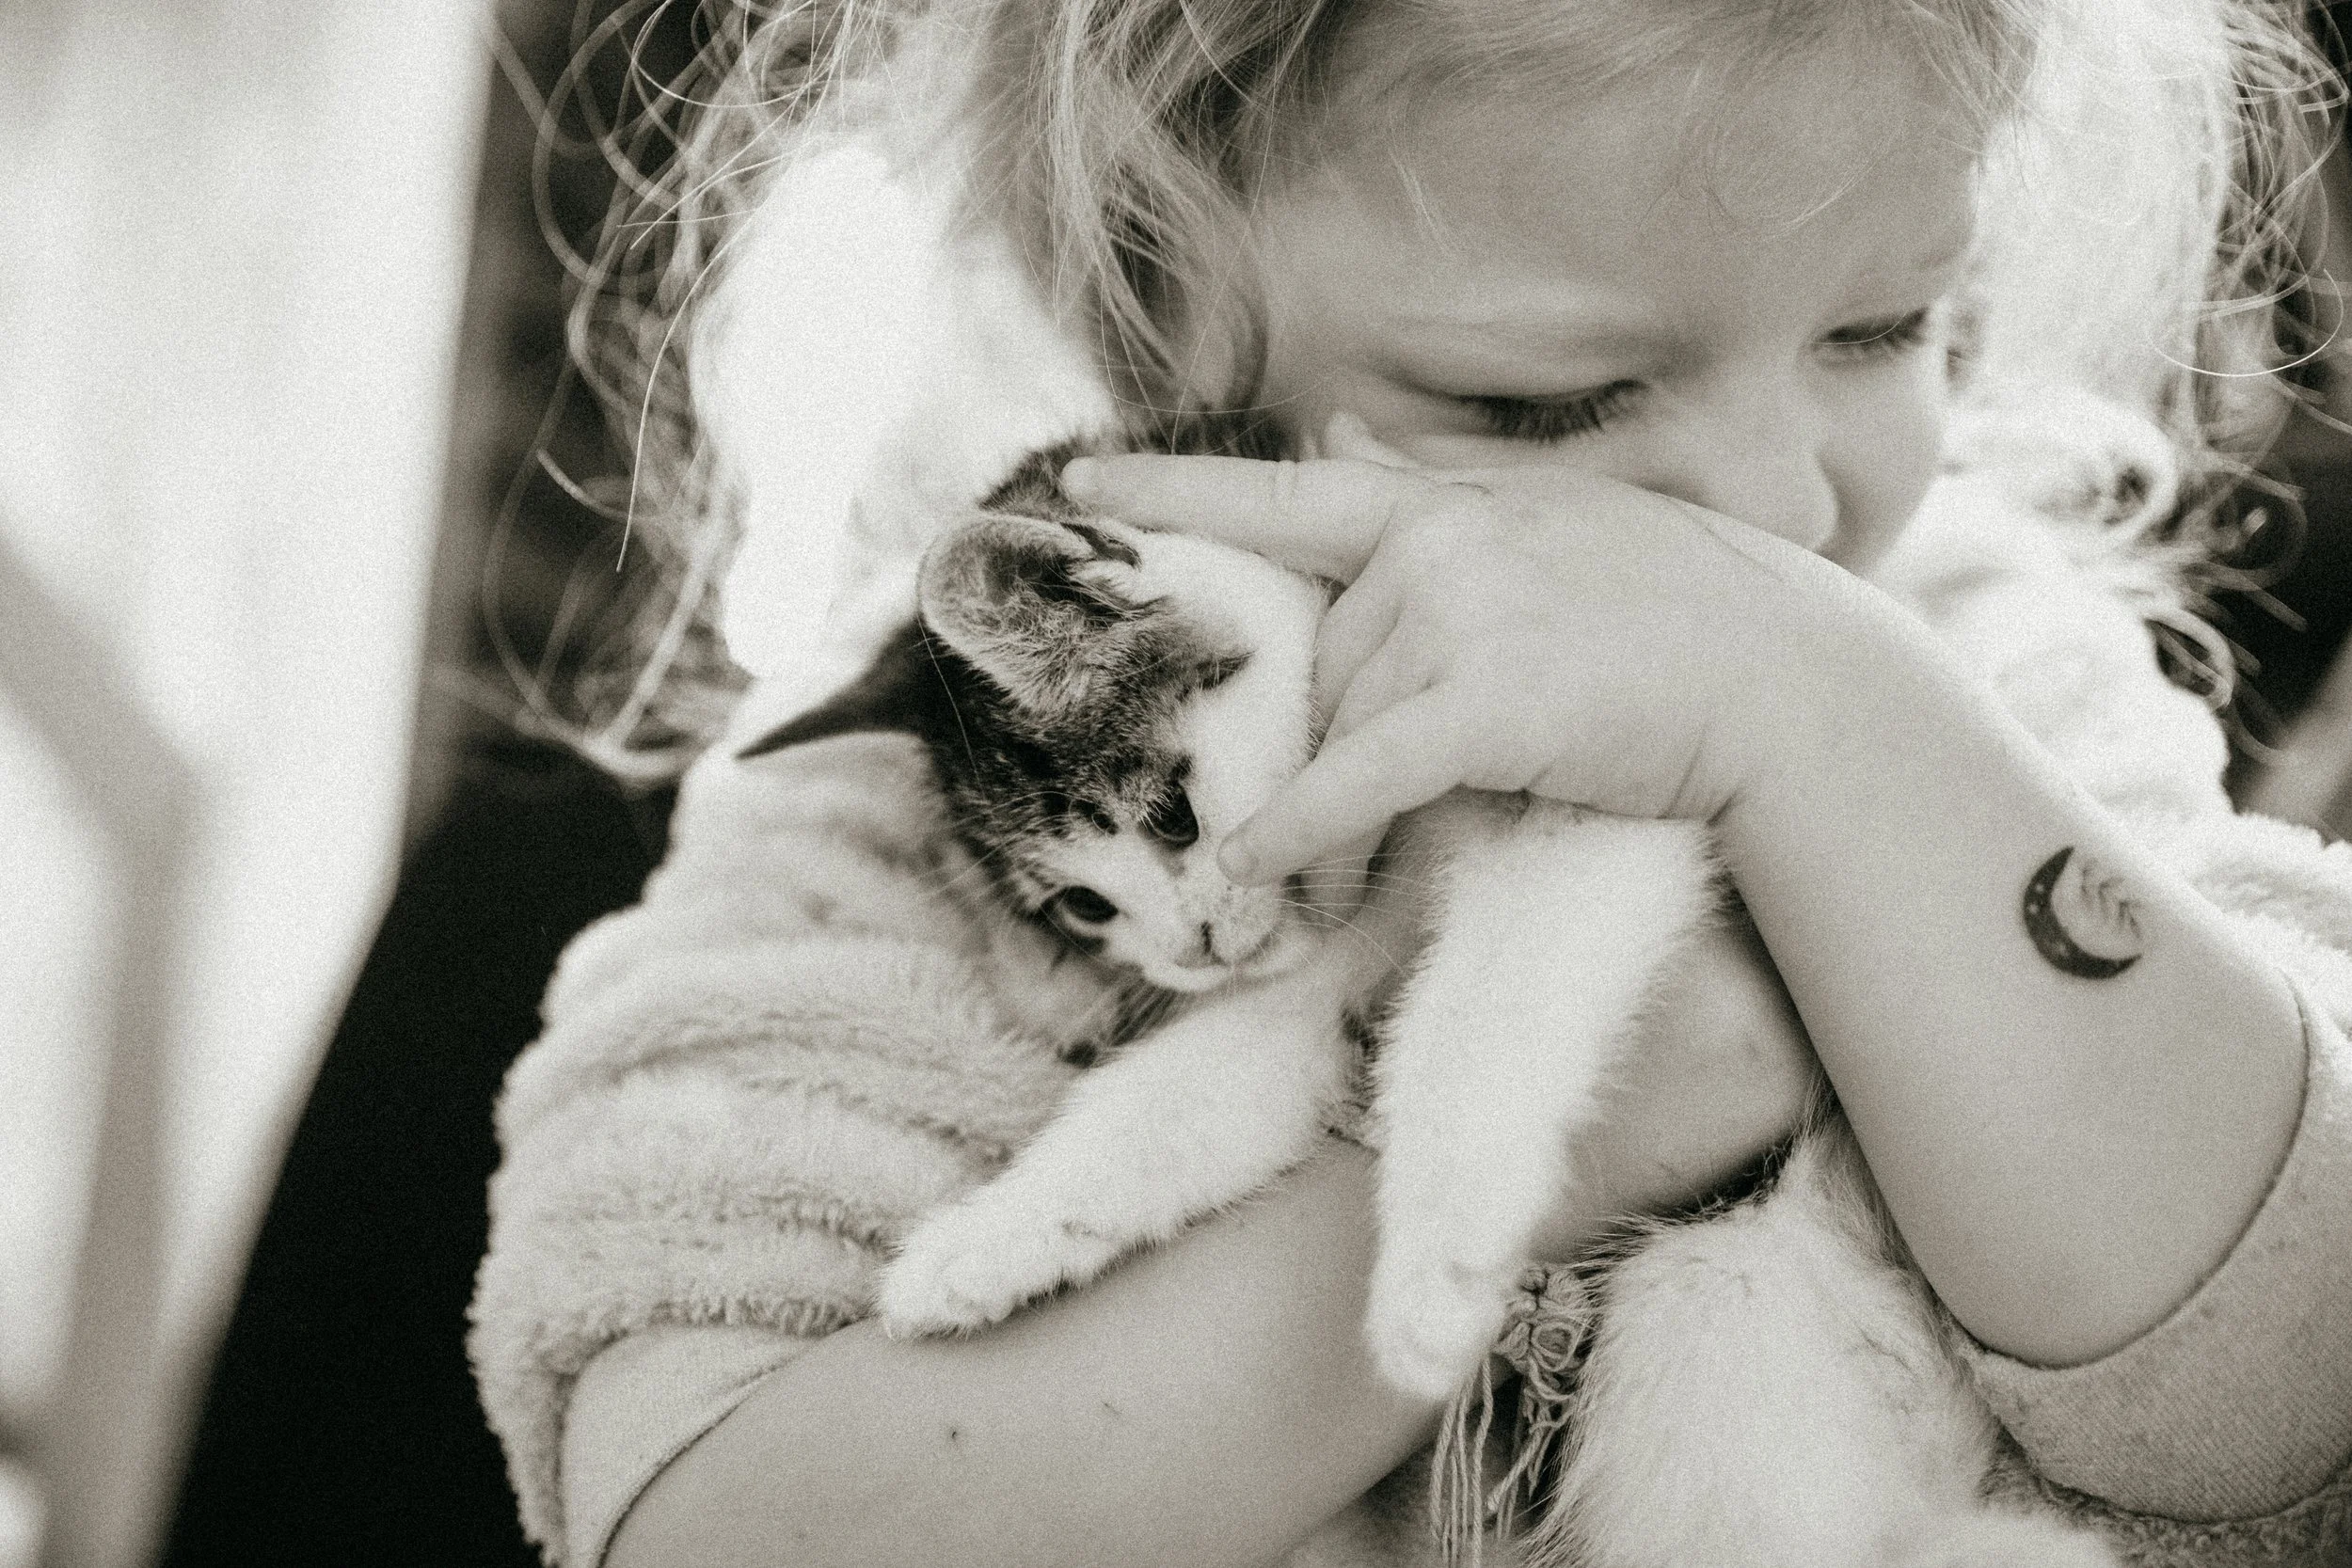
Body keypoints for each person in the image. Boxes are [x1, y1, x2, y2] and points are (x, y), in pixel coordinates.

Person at [469, 1, 2352, 1563]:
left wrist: (1817, 717)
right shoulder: (918, 804)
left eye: (1876, 331)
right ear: (1166, 314)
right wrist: (1601, 1105)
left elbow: (2289, 1372)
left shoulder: (1966, 659)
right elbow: (703, 1523)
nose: (1773, 510)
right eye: (1545, 402)